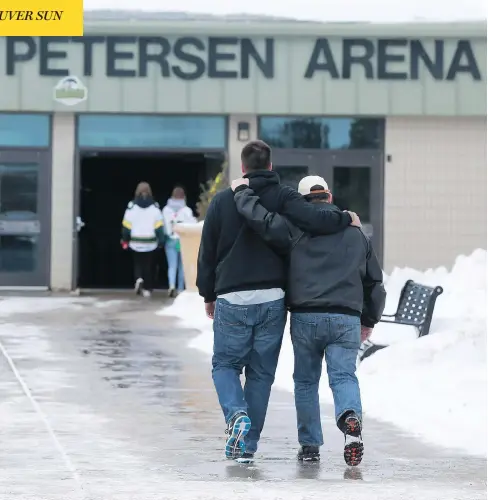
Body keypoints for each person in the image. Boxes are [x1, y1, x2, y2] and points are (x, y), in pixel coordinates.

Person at [196, 140, 361, 464]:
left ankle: (236, 416)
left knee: (225, 365)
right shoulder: (284, 197)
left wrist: (208, 293)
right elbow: (315, 221)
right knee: (260, 375)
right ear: (270, 166)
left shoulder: (222, 201)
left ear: (243, 168)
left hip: (231, 295)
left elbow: (208, 252)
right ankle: (247, 446)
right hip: (273, 298)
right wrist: (345, 218)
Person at [231, 174, 386, 466]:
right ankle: (349, 417)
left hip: (306, 316)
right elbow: (374, 282)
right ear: (329, 197)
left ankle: (310, 446)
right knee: (343, 376)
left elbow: (262, 220)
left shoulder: (293, 228)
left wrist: (242, 192)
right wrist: (369, 319)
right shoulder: (355, 232)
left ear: (302, 203)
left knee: (305, 383)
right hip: (346, 317)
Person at [121, 181, 165, 298]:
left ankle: (139, 279)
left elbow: (126, 226)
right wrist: (161, 241)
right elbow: (159, 227)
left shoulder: (131, 207)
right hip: (150, 242)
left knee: (138, 263)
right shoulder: (155, 207)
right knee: (148, 265)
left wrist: (125, 239)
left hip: (135, 241)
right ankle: (147, 289)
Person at [162, 186, 197, 298]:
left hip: (170, 239)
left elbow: (163, 226)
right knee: (182, 266)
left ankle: (171, 285)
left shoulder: (166, 210)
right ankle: (181, 288)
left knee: (172, 265)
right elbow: (193, 224)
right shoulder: (186, 210)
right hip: (183, 240)